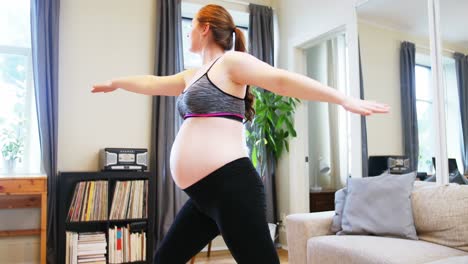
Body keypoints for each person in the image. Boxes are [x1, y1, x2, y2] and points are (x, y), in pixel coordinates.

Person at [92, 4, 389, 264]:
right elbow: (152, 82)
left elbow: (282, 81)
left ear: (205, 28)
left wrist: (342, 99)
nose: (187, 32)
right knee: (164, 259)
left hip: (231, 189)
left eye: (191, 26)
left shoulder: (231, 63)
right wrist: (116, 82)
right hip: (203, 197)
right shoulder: (191, 74)